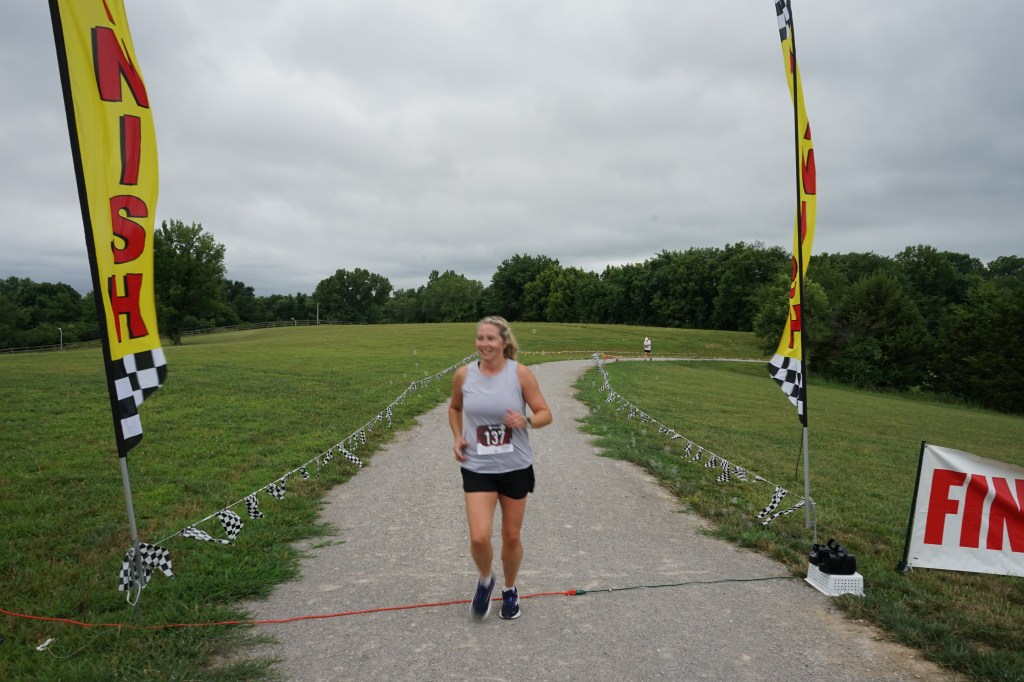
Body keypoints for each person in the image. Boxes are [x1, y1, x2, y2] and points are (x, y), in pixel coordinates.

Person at [449, 316, 552, 621]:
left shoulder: (520, 374)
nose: (484, 344)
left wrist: (526, 420)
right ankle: (485, 580)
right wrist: (458, 437)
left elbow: (545, 413)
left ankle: (509, 589)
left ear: (504, 342)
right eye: (480, 338)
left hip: (514, 466)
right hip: (478, 466)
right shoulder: (464, 375)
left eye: (491, 338)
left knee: (511, 537)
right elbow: (454, 408)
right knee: (479, 538)